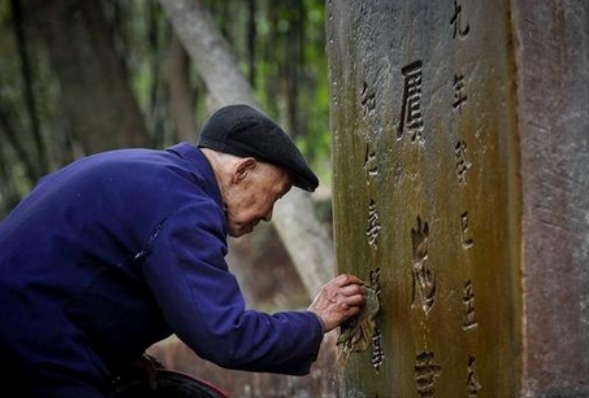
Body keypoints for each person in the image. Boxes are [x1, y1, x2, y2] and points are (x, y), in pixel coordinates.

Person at [0, 104, 366, 397]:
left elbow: (84, 274)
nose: (269, 214)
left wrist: (123, 360)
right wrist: (315, 321)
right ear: (243, 171)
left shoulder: (152, 174)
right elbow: (224, 335)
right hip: (34, 347)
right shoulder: (183, 204)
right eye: (276, 195)